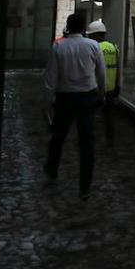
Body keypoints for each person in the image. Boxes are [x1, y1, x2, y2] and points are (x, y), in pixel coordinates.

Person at [43, 12, 106, 198]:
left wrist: (47, 101)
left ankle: (52, 169)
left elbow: (51, 77)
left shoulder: (58, 47)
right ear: (83, 27)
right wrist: (102, 96)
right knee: (87, 142)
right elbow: (101, 74)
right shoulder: (93, 45)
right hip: (87, 97)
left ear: (69, 27)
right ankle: (85, 185)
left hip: (65, 97)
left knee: (58, 136)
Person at [86, 19, 119, 147]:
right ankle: (110, 139)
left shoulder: (94, 48)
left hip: (95, 87)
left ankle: (90, 140)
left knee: (90, 116)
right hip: (110, 88)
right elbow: (117, 68)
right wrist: (117, 85)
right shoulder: (113, 47)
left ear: (95, 35)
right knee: (109, 116)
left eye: (90, 35)